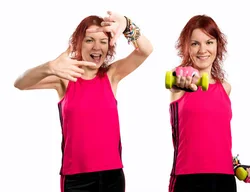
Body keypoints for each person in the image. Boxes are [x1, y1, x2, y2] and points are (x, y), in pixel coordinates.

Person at [13, 11, 153, 192]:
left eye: (103, 41)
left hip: (113, 176)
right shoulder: (65, 78)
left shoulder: (112, 75)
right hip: (77, 179)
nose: (97, 47)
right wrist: (48, 67)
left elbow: (145, 50)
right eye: (89, 40)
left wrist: (126, 23)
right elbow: (20, 83)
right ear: (78, 43)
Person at [167, 14, 250, 192]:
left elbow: (215, 140)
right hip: (187, 178)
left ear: (218, 45)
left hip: (224, 179)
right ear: (187, 47)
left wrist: (237, 166)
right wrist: (179, 80)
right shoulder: (180, 81)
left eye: (209, 42)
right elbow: (172, 81)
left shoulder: (225, 88)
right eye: (195, 43)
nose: (203, 49)